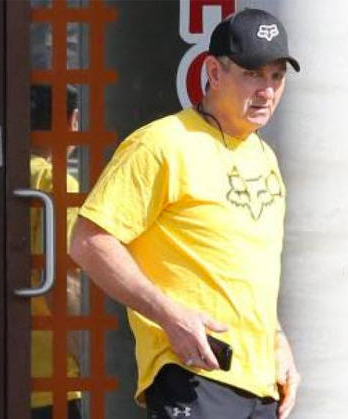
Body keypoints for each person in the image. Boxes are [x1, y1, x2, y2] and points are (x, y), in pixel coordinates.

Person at [69, 8, 301, 419]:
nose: (267, 90)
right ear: (213, 71)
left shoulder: (264, 155)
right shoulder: (161, 144)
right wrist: (168, 315)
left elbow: (248, 268)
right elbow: (88, 241)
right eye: (252, 73)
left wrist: (276, 337)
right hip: (193, 372)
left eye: (276, 76)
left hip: (260, 380)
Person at [28, 85, 83, 419]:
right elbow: (63, 283)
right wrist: (86, 356)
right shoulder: (58, 183)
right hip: (54, 374)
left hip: (12, 364)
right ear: (72, 121)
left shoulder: (7, 176)